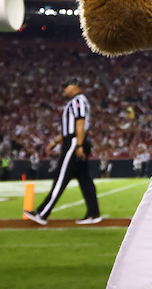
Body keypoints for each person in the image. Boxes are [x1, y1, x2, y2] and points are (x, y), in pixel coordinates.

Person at [23, 79, 101, 226]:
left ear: (75, 86)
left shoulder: (78, 101)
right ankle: (93, 213)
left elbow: (80, 124)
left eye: (66, 86)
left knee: (61, 177)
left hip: (73, 143)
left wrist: (78, 145)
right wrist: (54, 142)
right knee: (85, 179)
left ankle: (42, 213)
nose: (64, 89)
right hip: (74, 141)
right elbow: (68, 129)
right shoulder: (77, 101)